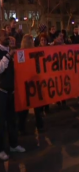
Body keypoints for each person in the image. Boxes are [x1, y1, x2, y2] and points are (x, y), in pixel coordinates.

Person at [0, 30, 25, 161]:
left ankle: (14, 144)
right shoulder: (3, 52)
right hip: (2, 92)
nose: (7, 37)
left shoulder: (11, 50)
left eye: (8, 36)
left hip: (11, 92)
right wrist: (9, 56)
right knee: (1, 122)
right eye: (4, 35)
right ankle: (1, 149)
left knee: (12, 120)